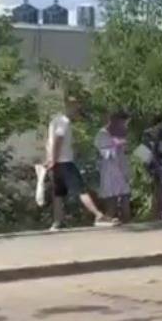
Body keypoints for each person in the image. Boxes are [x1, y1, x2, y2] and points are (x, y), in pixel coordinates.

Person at [47, 95, 118, 229]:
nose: (76, 109)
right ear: (67, 106)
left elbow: (49, 143)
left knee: (58, 193)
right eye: (74, 106)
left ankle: (57, 221)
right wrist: (54, 159)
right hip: (65, 162)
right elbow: (57, 140)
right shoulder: (64, 122)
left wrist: (50, 159)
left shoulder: (55, 121)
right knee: (81, 190)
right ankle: (99, 216)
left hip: (57, 163)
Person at [94, 110, 132, 223]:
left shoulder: (120, 132)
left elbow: (125, 151)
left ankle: (127, 219)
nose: (124, 125)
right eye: (123, 122)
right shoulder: (102, 134)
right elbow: (103, 152)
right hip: (109, 169)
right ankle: (107, 218)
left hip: (121, 167)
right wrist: (116, 145)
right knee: (111, 197)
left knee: (125, 194)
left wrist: (124, 147)